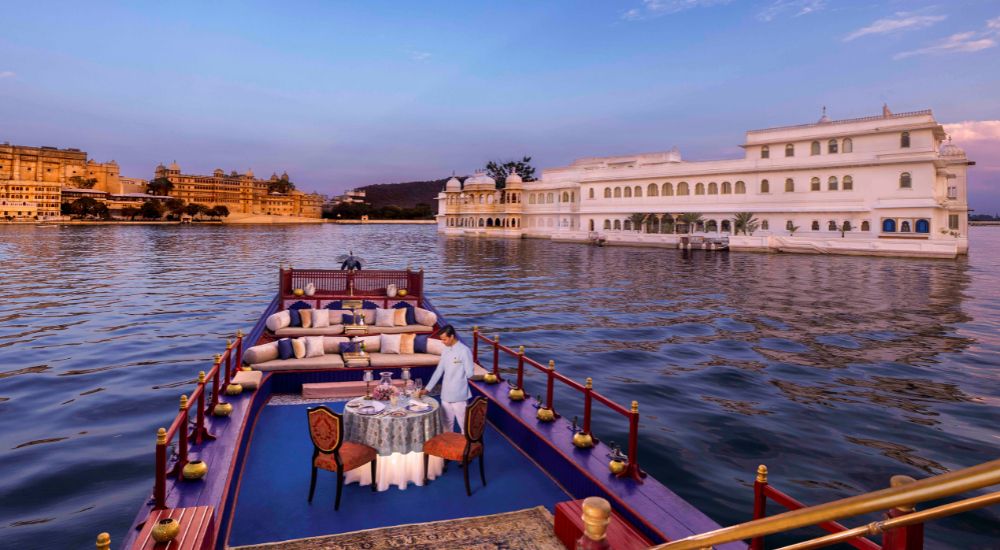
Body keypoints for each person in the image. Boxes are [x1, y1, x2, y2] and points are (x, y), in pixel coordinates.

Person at [420, 325, 474, 433]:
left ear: (452, 336)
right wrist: (427, 389)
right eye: (441, 339)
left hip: (459, 396)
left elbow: (470, 374)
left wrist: (458, 372)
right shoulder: (445, 350)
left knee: (464, 426)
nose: (442, 342)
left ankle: (466, 448)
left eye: (444, 339)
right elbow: (438, 371)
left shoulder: (464, 351)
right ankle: (448, 447)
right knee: (446, 424)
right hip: (445, 394)